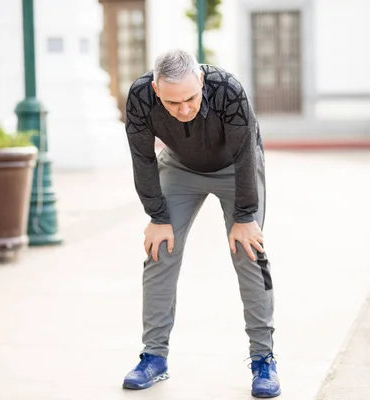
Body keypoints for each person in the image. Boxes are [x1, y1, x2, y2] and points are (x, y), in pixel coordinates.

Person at [121, 49, 281, 398]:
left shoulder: (228, 89)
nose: (183, 110)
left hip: (234, 171)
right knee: (159, 251)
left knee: (249, 253)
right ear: (156, 90)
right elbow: (142, 158)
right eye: (172, 102)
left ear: (202, 81)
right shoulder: (140, 96)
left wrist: (245, 216)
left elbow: (246, 155)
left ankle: (263, 358)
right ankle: (154, 357)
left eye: (191, 98)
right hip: (179, 169)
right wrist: (157, 217)